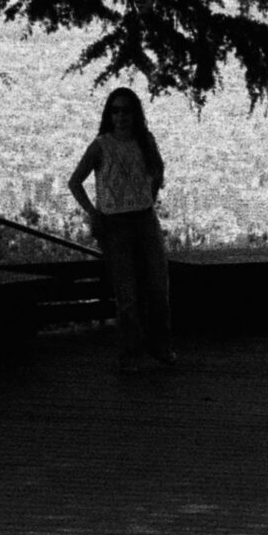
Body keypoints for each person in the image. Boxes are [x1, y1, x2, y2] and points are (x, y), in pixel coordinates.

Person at [67, 88, 175, 367]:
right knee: (127, 294)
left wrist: (148, 198)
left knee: (158, 286)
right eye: (115, 110)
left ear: (135, 113)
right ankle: (132, 353)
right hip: (114, 224)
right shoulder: (100, 146)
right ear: (109, 114)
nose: (121, 116)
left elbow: (158, 170)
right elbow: (75, 181)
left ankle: (160, 346)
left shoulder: (145, 141)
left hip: (145, 219)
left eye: (126, 110)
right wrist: (94, 213)